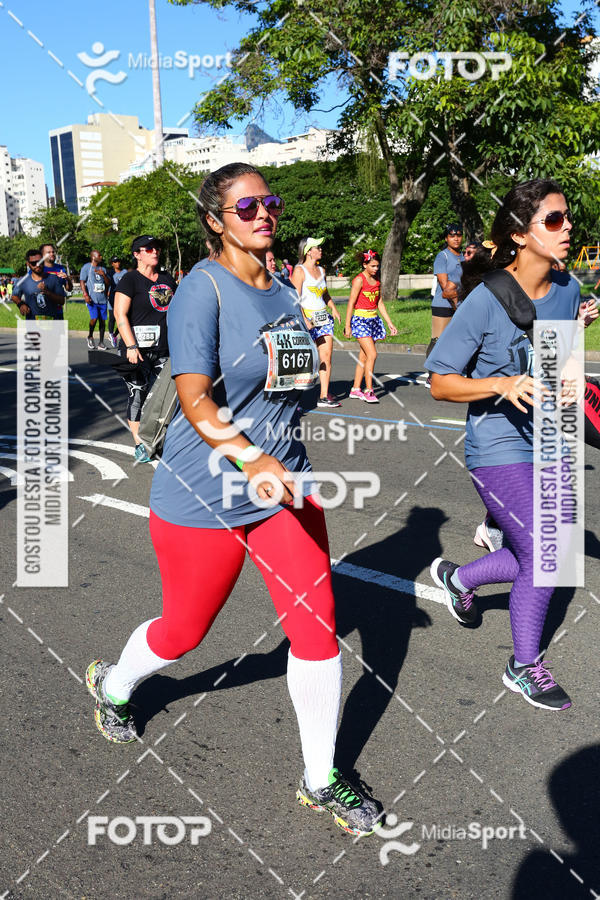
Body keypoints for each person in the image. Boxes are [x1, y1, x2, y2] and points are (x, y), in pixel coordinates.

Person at [86, 162, 382, 837]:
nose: (263, 214)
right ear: (217, 221)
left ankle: (319, 778)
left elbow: (289, 387)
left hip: (285, 486)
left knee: (316, 627)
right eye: (245, 207)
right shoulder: (201, 289)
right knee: (183, 632)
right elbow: (194, 398)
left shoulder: (284, 290)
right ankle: (115, 686)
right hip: (207, 491)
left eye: (270, 202)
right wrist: (251, 457)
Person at [427, 179, 581, 711]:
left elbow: (558, 362)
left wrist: (572, 370)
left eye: (567, 218)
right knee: (543, 556)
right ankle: (522, 665)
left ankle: (459, 577)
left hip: (552, 435)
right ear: (520, 235)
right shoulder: (484, 300)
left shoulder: (568, 290)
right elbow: (440, 381)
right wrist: (500, 384)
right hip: (496, 444)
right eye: (554, 221)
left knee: (549, 557)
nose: (567, 229)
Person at [112, 236, 177, 463]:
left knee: (162, 397)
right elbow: (120, 315)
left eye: (156, 247)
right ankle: (140, 444)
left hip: (164, 348)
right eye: (148, 248)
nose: (154, 251)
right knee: (137, 393)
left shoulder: (167, 278)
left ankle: (159, 440)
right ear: (137, 254)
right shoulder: (130, 280)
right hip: (135, 349)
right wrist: (130, 345)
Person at [291, 237, 342, 408]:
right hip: (307, 320)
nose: (321, 250)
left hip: (323, 318)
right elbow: (294, 299)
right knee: (304, 361)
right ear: (308, 251)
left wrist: (333, 308)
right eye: (317, 247)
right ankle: (294, 398)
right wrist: (304, 319)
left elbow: (324, 294)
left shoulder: (322, 270)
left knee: (326, 356)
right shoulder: (299, 271)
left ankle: (323, 395)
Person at [344, 249, 397, 402]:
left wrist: (389, 322)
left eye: (377, 266)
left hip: (373, 320)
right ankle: (369, 390)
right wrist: (348, 325)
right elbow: (351, 303)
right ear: (364, 264)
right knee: (372, 354)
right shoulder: (359, 280)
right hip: (360, 321)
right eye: (373, 266)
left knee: (364, 356)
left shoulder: (377, 280)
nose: (376, 269)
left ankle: (355, 389)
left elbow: (379, 302)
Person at [425, 224, 464, 379]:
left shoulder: (463, 256)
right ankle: (431, 375)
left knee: (456, 340)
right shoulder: (443, 256)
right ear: (446, 238)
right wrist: (457, 306)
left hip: (459, 304)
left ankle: (451, 371)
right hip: (443, 305)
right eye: (452, 235)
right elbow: (444, 286)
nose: (456, 238)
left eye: (459, 235)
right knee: (438, 340)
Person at [12, 249, 65, 320]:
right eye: (33, 263)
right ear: (28, 264)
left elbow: (62, 301)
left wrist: (48, 292)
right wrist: (21, 304)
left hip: (52, 323)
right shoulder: (23, 280)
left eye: (40, 262)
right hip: (32, 324)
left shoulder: (54, 278)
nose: (37, 265)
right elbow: (14, 296)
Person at [80, 250, 111, 349]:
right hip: (92, 299)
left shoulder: (103, 269)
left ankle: (101, 342)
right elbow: (82, 281)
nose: (101, 257)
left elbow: (108, 283)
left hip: (102, 299)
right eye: (99, 255)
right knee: (94, 318)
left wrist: (103, 275)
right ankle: (90, 336)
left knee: (102, 321)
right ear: (93, 257)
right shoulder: (86, 267)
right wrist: (85, 295)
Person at [107, 256, 127, 348]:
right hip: (112, 298)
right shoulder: (110, 273)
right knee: (112, 318)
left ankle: (115, 335)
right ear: (112, 264)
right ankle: (111, 334)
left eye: (118, 261)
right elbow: (106, 284)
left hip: (123, 299)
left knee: (123, 318)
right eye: (115, 262)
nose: (117, 263)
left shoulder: (125, 272)